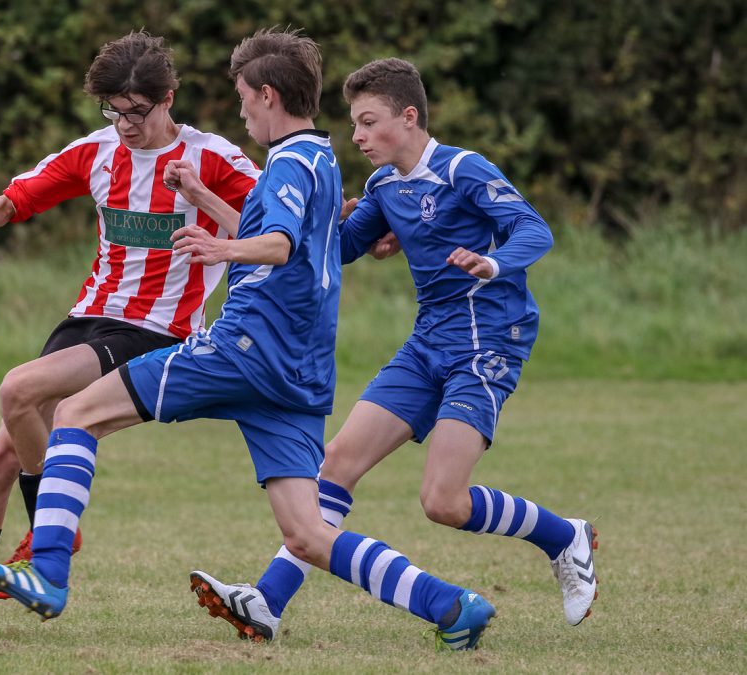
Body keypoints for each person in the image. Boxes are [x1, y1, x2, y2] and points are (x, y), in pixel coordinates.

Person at [0, 28, 496, 651]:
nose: (240, 111)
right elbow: (298, 241)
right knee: (307, 534)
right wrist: (205, 200)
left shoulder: (288, 161)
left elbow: (279, 245)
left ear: (267, 95)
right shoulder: (320, 158)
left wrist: (221, 247)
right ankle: (452, 604)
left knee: (76, 414)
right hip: (299, 371)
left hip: (243, 349)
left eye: (242, 97)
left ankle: (49, 572)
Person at [189, 57, 599, 643]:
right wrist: (211, 200)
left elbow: (534, 229)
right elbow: (325, 250)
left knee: (444, 502)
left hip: (486, 343)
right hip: (428, 341)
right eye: (353, 123)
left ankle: (565, 537)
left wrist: (492, 262)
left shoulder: (462, 169)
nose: (355, 136)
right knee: (337, 464)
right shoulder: (383, 186)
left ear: (408, 118)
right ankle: (267, 603)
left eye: (368, 121)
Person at [0, 30, 259, 631]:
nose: (124, 124)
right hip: (89, 319)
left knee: (16, 391)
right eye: (112, 110)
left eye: (135, 111)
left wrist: (361, 223)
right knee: (3, 449)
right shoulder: (95, 151)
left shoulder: (212, 157)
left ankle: (52, 532)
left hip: (158, 329)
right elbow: (10, 204)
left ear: (168, 98)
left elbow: (280, 218)